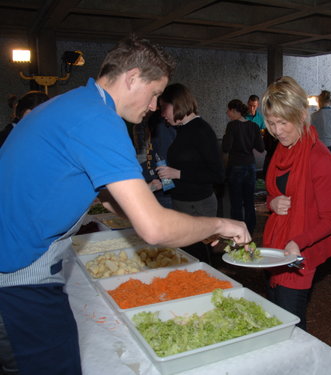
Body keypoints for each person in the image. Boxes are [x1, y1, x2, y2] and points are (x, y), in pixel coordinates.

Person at [0, 36, 250, 375]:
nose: (153, 106)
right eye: (154, 94)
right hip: (17, 275)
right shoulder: (98, 118)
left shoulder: (74, 103)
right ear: (132, 77)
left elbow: (110, 198)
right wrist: (219, 224)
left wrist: (194, 231)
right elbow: (154, 228)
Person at [261, 76, 331, 331]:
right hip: (276, 247)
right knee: (276, 318)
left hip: (298, 254)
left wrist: (298, 242)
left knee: (291, 326)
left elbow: (329, 220)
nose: (277, 130)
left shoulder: (321, 160)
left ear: (301, 115)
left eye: (283, 122)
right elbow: (273, 193)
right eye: (272, 123)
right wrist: (272, 202)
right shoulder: (282, 150)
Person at [157, 83, 225, 262]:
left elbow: (218, 174)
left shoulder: (202, 130)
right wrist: (162, 181)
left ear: (177, 104)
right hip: (183, 203)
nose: (162, 114)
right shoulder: (182, 130)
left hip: (198, 206)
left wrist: (178, 174)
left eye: (164, 108)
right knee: (187, 257)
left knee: (199, 258)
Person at [222, 99, 265, 234]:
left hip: (236, 166)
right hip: (250, 167)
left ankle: (237, 232)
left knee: (236, 203)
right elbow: (261, 147)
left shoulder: (232, 126)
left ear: (235, 111)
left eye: (229, 110)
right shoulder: (253, 126)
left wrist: (226, 137)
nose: (227, 113)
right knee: (249, 202)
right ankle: (250, 231)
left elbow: (225, 147)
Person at [311, 90, 331, 160]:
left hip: (319, 149)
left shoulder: (313, 116)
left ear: (319, 102)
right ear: (330, 102)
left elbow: (310, 134)